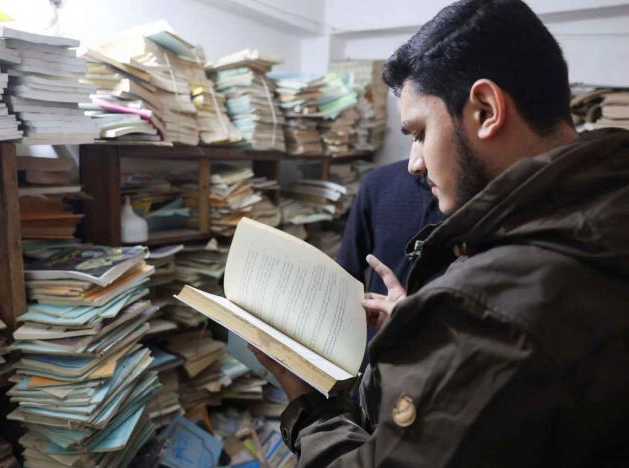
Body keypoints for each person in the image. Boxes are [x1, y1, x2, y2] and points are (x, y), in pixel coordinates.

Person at [250, 0, 629, 466]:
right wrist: (424, 336)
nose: (412, 162)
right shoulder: (605, 204)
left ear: (486, 109)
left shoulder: (484, 312)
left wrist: (307, 401)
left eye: (419, 131)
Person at [337, 159, 442, 329]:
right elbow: (347, 272)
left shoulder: (481, 203)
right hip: (375, 339)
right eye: (415, 137)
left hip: (443, 347)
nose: (416, 161)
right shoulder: (377, 183)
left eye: (423, 135)